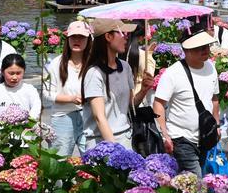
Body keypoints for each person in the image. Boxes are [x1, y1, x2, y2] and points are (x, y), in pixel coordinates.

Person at [153, 32, 220, 177]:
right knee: (195, 183)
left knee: (192, 184)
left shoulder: (211, 68)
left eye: (207, 46)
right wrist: (165, 134)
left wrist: (217, 125)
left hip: (205, 136)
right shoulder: (173, 73)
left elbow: (214, 98)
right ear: (186, 50)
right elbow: (158, 103)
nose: (205, 50)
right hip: (181, 138)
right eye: (199, 47)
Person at [81, 19, 149, 149]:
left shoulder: (125, 67)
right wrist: (115, 150)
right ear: (108, 36)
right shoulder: (94, 73)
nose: (126, 38)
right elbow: (99, 117)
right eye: (122, 33)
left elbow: (130, 105)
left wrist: (144, 90)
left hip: (126, 137)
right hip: (101, 142)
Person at [43, 21, 92, 156]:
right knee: (59, 162)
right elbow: (47, 94)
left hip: (88, 116)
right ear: (68, 39)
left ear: (88, 39)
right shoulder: (55, 64)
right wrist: (70, 99)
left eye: (81, 37)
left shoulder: (93, 64)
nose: (77, 40)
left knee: (92, 161)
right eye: (73, 37)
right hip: (62, 117)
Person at [0, 54, 41, 119]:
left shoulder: (30, 90)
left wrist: (27, 124)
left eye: (18, 73)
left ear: (24, 71)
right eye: (11, 73)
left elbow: (36, 110)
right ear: (2, 72)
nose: (15, 77)